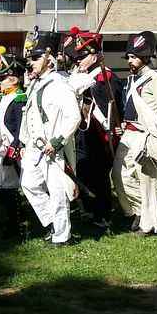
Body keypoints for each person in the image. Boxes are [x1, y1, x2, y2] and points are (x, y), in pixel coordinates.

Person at [19, 28, 83, 248]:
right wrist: (24, 141)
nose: (31, 63)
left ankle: (62, 235)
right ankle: (53, 222)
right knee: (28, 184)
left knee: (57, 191)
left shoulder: (60, 84)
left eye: (36, 58)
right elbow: (29, 115)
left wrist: (56, 142)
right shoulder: (36, 84)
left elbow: (74, 117)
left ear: (49, 59)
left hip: (54, 147)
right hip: (35, 147)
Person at [112, 31, 157, 236]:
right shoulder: (132, 80)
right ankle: (139, 212)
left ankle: (149, 225)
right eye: (129, 57)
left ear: (146, 57)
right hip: (129, 134)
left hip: (147, 136)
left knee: (147, 181)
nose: (129, 61)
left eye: (133, 57)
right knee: (119, 175)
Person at [62, 27, 124, 228]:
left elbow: (112, 109)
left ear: (95, 55)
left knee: (99, 176)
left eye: (82, 57)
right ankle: (90, 210)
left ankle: (103, 214)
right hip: (84, 133)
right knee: (84, 171)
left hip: (100, 134)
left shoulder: (105, 77)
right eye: (77, 58)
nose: (78, 62)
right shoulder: (85, 76)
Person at [0, 47, 29, 239]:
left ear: (14, 80)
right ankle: (14, 220)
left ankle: (15, 225)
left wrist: (14, 149)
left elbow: (20, 128)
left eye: (3, 78)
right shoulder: (5, 97)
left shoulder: (19, 99)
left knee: (9, 187)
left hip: (9, 149)